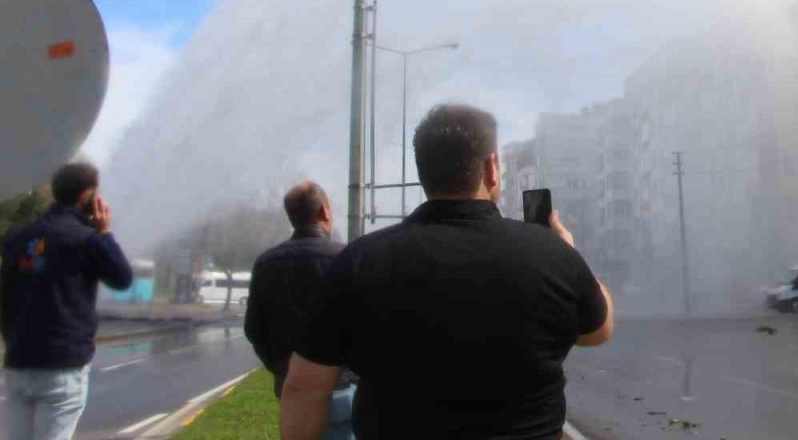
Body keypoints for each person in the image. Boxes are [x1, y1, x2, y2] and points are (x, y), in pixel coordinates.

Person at [281, 103, 614, 440]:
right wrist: (568, 253)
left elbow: (304, 388)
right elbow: (597, 331)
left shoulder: (358, 262)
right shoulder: (552, 254)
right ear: (492, 169)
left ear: (424, 172)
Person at [1, 163, 132, 440]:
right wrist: (105, 233)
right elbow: (121, 277)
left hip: (18, 362)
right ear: (87, 196)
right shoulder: (87, 240)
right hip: (62, 365)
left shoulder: (17, 238)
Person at [244, 182, 354, 438]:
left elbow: (254, 330)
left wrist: (282, 369)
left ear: (292, 216)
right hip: (343, 387)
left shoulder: (266, 263)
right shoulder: (348, 258)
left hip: (291, 391)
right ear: (325, 212)